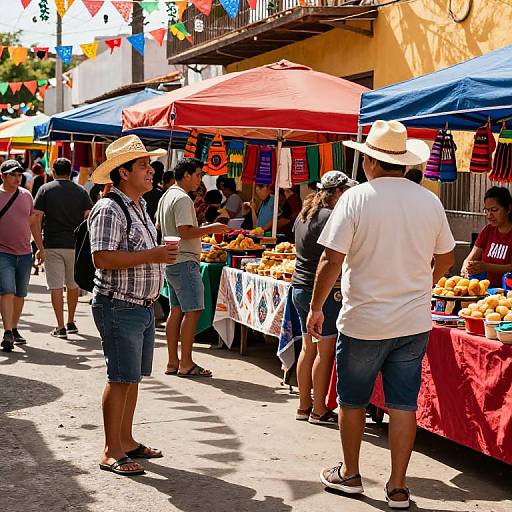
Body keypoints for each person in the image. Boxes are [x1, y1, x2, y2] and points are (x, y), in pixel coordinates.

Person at [307, 120, 455, 508]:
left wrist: (316, 306)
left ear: (370, 161)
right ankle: (398, 487)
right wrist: (422, 280)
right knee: (403, 404)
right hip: (413, 322)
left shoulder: (356, 199)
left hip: (364, 321)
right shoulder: (429, 200)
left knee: (352, 401)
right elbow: (447, 257)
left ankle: (351, 475)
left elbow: (330, 259)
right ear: (404, 163)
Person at [88, 135, 179, 477]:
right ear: (123, 173)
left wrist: (156, 259)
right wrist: (152, 255)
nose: (151, 170)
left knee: (133, 378)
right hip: (119, 305)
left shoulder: (138, 205)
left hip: (140, 306)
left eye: (149, 164)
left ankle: (125, 440)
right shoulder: (109, 207)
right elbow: (102, 258)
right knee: (120, 377)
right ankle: (111, 450)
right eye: (143, 165)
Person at [292, 171, 357, 426]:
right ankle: (319, 409)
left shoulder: (305, 214)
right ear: (338, 192)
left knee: (308, 348)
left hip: (299, 287)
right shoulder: (331, 217)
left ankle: (303, 405)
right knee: (325, 351)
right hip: (322, 291)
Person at [156, 157, 230, 378]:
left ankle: (173, 361)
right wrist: (211, 227)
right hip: (184, 260)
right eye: (198, 174)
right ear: (186, 174)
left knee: (177, 311)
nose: (200, 179)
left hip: (173, 260)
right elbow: (185, 231)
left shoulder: (167, 195)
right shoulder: (181, 198)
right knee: (193, 311)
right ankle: (185, 363)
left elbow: (160, 225)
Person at [33, 158, 93, 338]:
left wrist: (39, 246)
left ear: (53, 171)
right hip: (74, 245)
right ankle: (71, 321)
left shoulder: (45, 190)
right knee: (72, 284)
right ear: (70, 172)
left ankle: (60, 327)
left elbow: (37, 219)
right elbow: (88, 218)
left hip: (52, 244)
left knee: (56, 286)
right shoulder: (81, 191)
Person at [0, 160, 44, 351]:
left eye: (19, 175)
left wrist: (41, 248)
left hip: (25, 253)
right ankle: (8, 332)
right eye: (13, 175)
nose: (17, 178)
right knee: (7, 291)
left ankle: (14, 327)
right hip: (3, 252)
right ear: (2, 176)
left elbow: (33, 222)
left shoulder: (26, 195)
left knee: (20, 294)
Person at [462, 186, 512, 287]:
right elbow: (470, 258)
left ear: (508, 208)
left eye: (494, 210)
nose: (489, 215)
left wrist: (486, 267)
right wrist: (466, 268)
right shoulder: (487, 230)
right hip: (485, 291)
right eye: (487, 210)